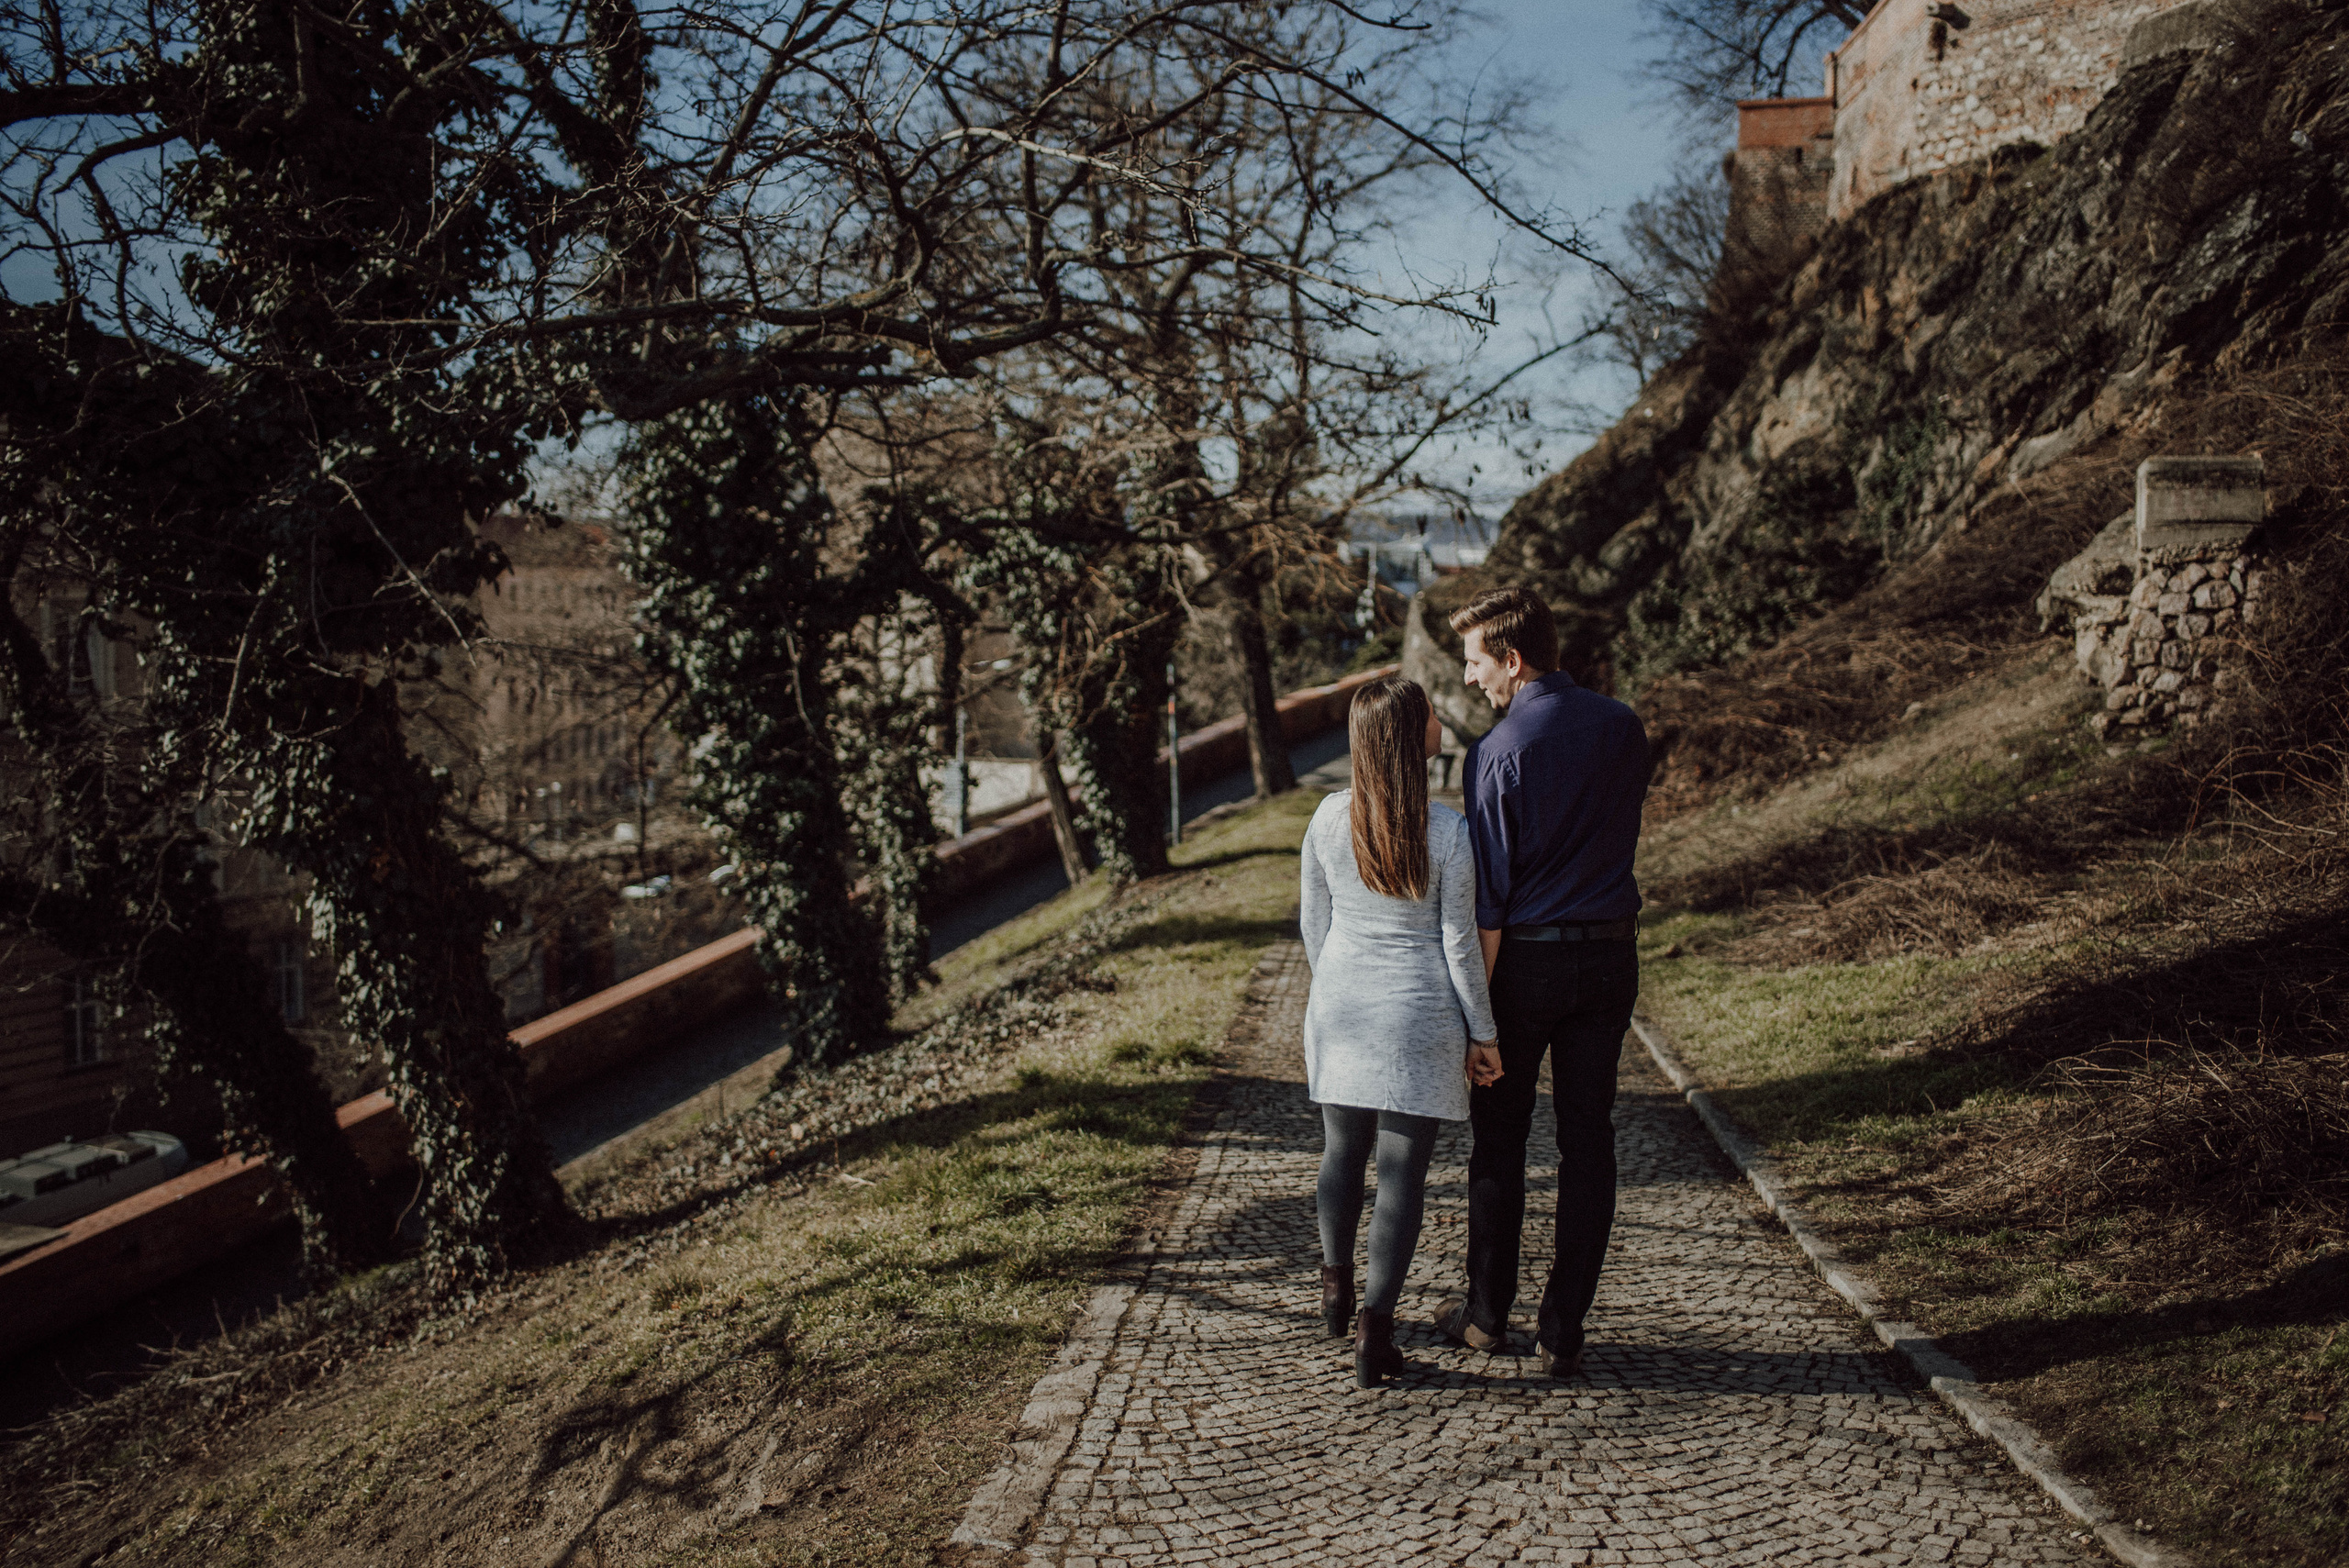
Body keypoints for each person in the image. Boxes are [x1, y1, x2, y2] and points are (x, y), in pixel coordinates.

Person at [1431, 585, 1650, 1380]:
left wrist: (1477, 1022)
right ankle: (1564, 1328)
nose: (1469, 678)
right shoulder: (1625, 728)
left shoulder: (1496, 755)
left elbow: (1488, 901)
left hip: (1525, 960)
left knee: (1501, 1138)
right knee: (1589, 1140)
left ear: (1513, 660)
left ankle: (1487, 1316)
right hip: (1610, 959)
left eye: (1476, 661)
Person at [1299, 674, 1500, 1390]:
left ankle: (1333, 1285)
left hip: (1343, 1008)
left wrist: (1337, 985)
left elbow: (1313, 924)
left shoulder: (1327, 818)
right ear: (1414, 736)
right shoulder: (1446, 830)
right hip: (1420, 1017)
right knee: (1400, 1179)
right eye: (1434, 715)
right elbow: (1457, 944)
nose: (1443, 721)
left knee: (1339, 1151)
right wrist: (1484, 1030)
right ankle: (1374, 1333)